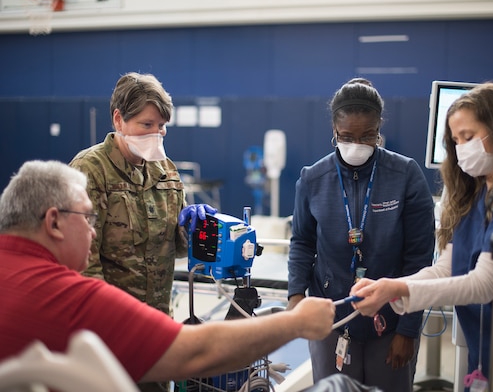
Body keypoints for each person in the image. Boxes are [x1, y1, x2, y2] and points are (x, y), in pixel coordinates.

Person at [0, 160, 335, 388]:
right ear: (54, 222)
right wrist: (296, 322)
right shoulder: (70, 299)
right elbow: (194, 353)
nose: (93, 231)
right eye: (87, 218)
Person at [350, 82, 493, 392]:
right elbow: (447, 268)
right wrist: (390, 289)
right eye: (456, 140)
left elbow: (486, 283)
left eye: (469, 137)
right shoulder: (476, 196)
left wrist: (396, 287)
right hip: (487, 354)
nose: (461, 147)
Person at [69, 72, 215, 391]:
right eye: (146, 125)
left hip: (157, 327)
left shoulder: (167, 172)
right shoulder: (89, 171)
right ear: (119, 119)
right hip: (107, 332)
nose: (156, 133)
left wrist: (194, 230)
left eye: (161, 125)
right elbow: (81, 266)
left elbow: (175, 247)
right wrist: (110, 324)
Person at [287, 78, 435, 391]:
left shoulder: (406, 176)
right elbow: (301, 243)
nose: (357, 144)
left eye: (368, 136)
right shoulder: (313, 179)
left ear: (380, 128)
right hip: (332, 321)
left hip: (391, 323)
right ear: (334, 131)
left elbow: (419, 258)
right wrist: (296, 298)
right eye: (346, 136)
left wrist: (408, 330)